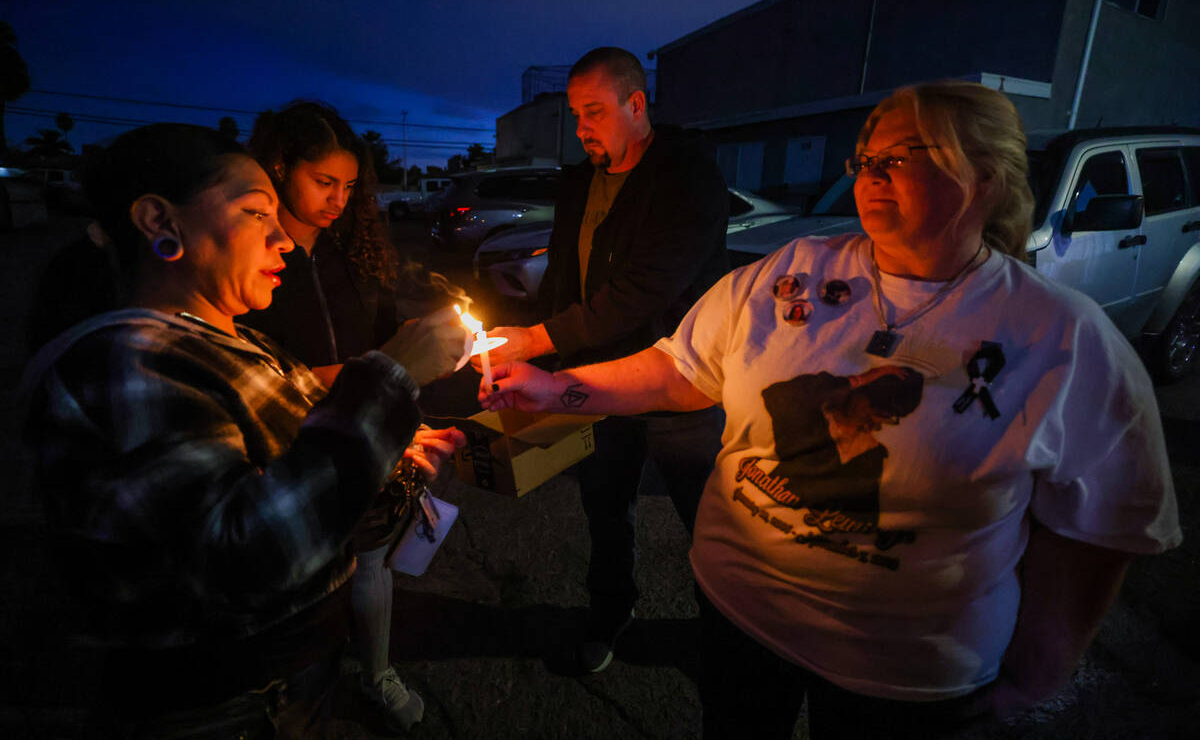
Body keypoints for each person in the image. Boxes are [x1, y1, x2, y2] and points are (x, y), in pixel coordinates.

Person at [479, 81, 1182, 738]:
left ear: (986, 179)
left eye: (904, 157)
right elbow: (679, 368)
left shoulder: (1060, 336)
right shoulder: (792, 272)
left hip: (906, 680)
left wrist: (1041, 669)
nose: (872, 172)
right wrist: (556, 388)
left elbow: (1102, 525)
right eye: (867, 156)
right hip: (737, 620)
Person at [21, 123, 470, 738]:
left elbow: (308, 486)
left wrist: (390, 457)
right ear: (160, 221)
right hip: (219, 708)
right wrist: (389, 377)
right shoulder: (129, 362)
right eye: (257, 212)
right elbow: (245, 558)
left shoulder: (239, 343)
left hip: (292, 682)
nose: (284, 235)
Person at [484, 46, 730, 673]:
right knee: (606, 508)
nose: (582, 127)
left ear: (636, 103)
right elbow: (567, 279)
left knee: (708, 518)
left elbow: (642, 291)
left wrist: (540, 341)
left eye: (594, 111)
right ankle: (608, 613)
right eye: (575, 114)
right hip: (596, 380)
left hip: (681, 380)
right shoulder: (579, 182)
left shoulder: (687, 176)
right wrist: (543, 360)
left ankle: (728, 635)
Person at [237, 100, 450, 733]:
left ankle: (376, 671)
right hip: (285, 442)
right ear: (279, 168)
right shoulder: (249, 261)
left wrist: (405, 407)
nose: (338, 200)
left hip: (364, 434)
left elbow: (385, 337)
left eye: (350, 186)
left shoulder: (355, 251)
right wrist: (373, 374)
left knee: (372, 560)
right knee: (295, 579)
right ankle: (292, 690)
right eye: (323, 182)